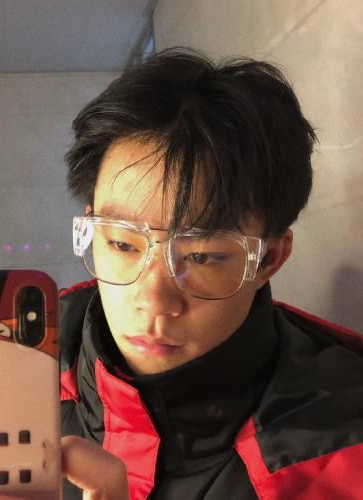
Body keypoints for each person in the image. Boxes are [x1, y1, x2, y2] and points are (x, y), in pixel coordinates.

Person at [58, 48, 363, 499]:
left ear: (269, 259)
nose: (153, 300)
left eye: (202, 256)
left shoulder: (341, 458)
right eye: (122, 244)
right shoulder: (20, 367)